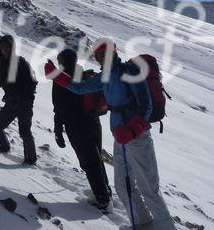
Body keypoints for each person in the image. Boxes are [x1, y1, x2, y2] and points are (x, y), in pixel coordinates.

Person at [45, 38, 176, 230]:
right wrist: (57, 75)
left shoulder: (129, 71)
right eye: (99, 55)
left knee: (150, 190)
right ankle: (142, 224)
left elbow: (146, 105)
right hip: (120, 138)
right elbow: (80, 88)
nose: (102, 58)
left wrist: (132, 129)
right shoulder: (104, 76)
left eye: (105, 53)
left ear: (114, 52)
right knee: (123, 187)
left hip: (138, 138)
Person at [52, 48, 112, 211]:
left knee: (89, 162)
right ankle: (106, 193)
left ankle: (102, 199)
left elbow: (59, 107)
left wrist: (58, 131)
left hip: (76, 125)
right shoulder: (83, 73)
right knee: (97, 159)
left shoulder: (61, 76)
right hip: (93, 122)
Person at [0, 35, 38, 165]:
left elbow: (32, 84)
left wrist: (22, 99)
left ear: (13, 48)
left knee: (25, 132)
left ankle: (31, 159)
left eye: (8, 46)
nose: (5, 49)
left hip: (24, 104)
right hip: (11, 103)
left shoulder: (22, 63)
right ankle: (4, 147)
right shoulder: (0, 65)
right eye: (3, 47)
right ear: (0, 48)